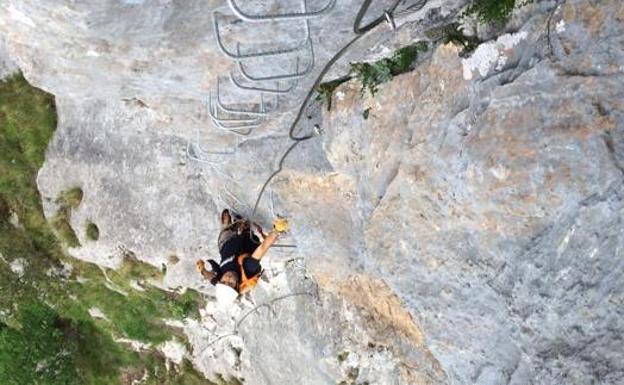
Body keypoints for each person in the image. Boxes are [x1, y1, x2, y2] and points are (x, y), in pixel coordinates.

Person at [196, 209, 289, 296]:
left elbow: (211, 279)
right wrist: (277, 231)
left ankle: (228, 227)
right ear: (237, 285)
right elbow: (262, 249)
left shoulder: (220, 281)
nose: (227, 278)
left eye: (224, 282)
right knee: (244, 228)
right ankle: (241, 227)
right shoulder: (246, 270)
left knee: (223, 235)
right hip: (247, 239)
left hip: (226, 243)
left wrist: (202, 270)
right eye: (231, 283)